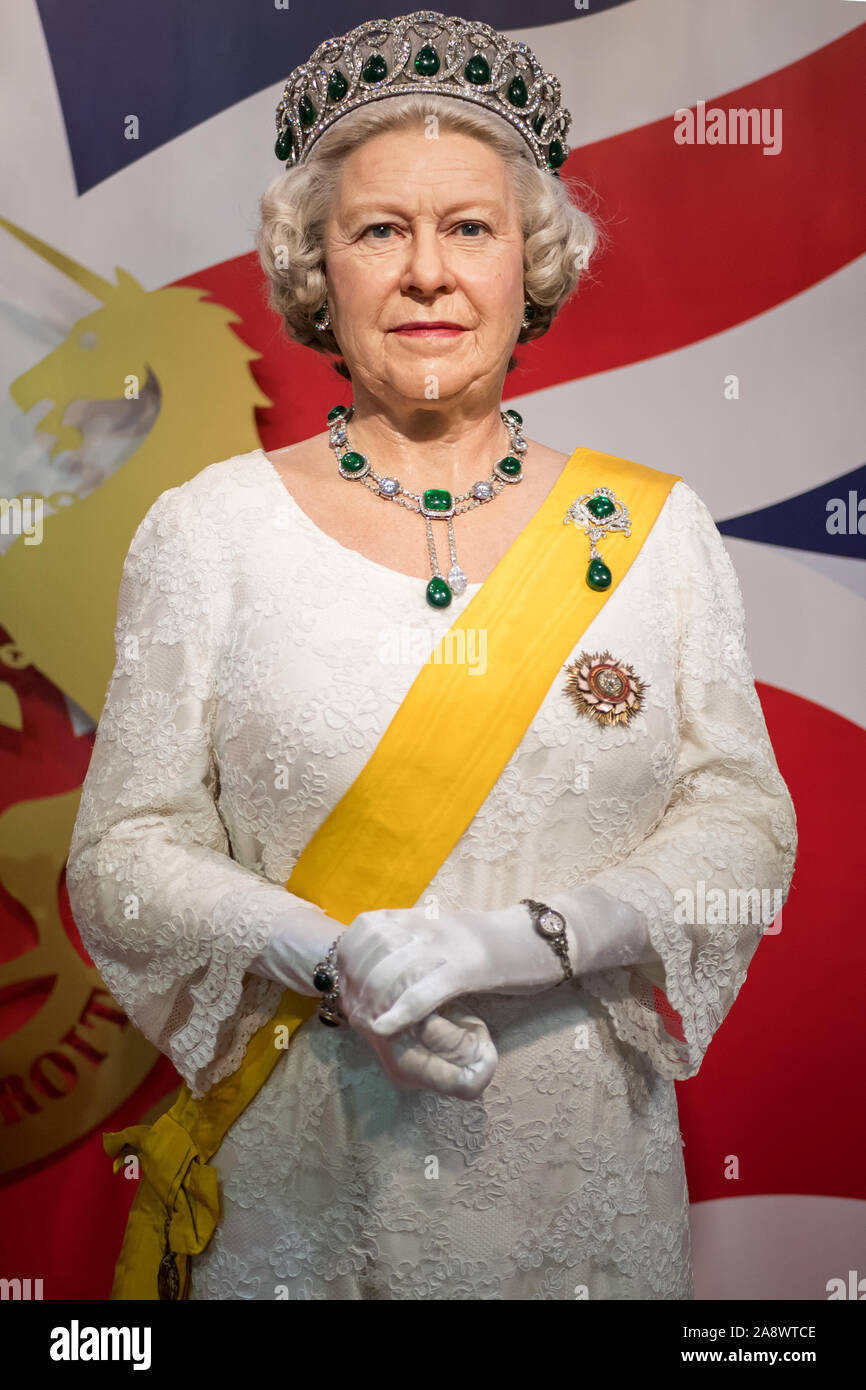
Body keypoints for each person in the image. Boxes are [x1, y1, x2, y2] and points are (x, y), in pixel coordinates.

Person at [67, 12, 797, 1301]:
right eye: (377, 230)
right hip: (304, 1166)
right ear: (314, 265)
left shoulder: (654, 530)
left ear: (532, 259)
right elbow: (125, 851)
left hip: (583, 1181)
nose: (427, 275)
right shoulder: (207, 530)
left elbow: (740, 819)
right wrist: (321, 954)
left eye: (469, 227)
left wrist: (531, 941)